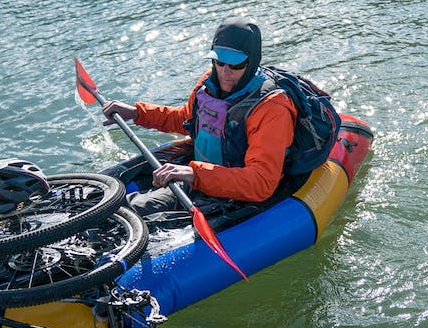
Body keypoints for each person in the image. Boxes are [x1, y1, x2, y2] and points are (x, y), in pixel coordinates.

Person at [101, 16, 298, 216]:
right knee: (108, 199)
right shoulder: (208, 83)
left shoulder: (272, 108)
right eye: (219, 61)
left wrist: (194, 174)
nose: (225, 72)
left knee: (128, 211)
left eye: (235, 65)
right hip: (200, 175)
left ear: (252, 61)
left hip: (233, 192)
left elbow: (261, 183)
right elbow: (186, 119)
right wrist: (137, 113)